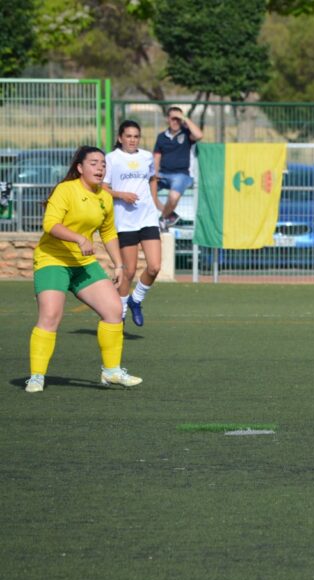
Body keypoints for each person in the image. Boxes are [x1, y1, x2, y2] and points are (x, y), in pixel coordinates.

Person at [25, 146, 143, 393]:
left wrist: (119, 264)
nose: (100, 168)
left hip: (83, 263)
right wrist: (78, 239)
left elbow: (109, 232)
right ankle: (36, 376)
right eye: (93, 163)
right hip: (52, 259)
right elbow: (50, 224)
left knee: (113, 310)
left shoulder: (105, 197)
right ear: (79, 168)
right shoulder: (66, 190)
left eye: (102, 164)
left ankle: (111, 372)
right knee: (50, 317)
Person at [104, 120, 162, 327]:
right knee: (128, 271)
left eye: (136, 136)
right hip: (125, 221)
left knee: (154, 267)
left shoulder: (146, 157)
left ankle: (136, 300)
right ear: (120, 138)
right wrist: (120, 195)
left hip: (147, 217)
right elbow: (102, 188)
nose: (132, 139)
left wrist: (155, 204)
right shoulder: (111, 159)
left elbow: (152, 179)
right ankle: (121, 311)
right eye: (128, 136)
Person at [153, 105, 203, 229]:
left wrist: (184, 117)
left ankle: (163, 218)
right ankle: (170, 215)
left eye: (178, 119)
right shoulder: (161, 137)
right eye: (173, 118)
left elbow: (199, 135)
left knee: (173, 196)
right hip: (163, 174)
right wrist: (154, 174)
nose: (175, 121)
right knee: (144, 191)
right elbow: (157, 157)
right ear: (167, 119)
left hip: (182, 175)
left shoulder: (187, 134)